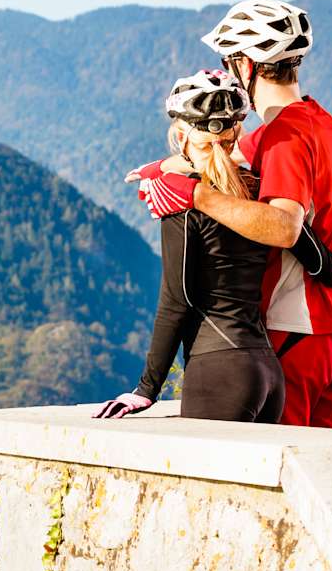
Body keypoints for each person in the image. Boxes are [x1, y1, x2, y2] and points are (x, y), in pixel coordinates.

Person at [134, 0, 332, 428]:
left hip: (298, 328)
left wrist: (195, 197)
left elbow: (283, 226)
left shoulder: (285, 137)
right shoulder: (319, 122)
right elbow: (215, 157)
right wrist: (160, 169)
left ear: (245, 65)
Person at [95, 72, 285, 422]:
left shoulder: (182, 203)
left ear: (181, 136)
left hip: (220, 370)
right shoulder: (258, 193)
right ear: (235, 134)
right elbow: (316, 255)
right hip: (269, 372)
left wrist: (146, 389)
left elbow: (176, 301)